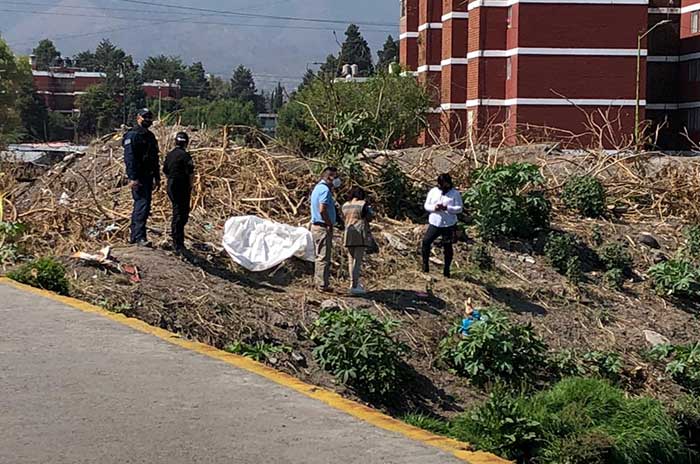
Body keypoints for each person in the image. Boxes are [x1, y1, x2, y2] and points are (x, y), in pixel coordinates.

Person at [123, 108, 160, 246]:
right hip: (139, 177)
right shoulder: (132, 135)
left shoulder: (150, 136)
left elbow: (154, 158)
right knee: (141, 205)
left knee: (144, 206)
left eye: (150, 118)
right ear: (138, 117)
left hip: (148, 176)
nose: (148, 120)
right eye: (145, 117)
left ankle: (136, 236)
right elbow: (130, 158)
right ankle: (138, 237)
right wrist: (133, 177)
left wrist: (157, 177)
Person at [421, 173, 463, 278]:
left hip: (448, 224)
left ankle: (447, 269)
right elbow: (426, 205)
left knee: (447, 246)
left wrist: (448, 208)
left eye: (445, 184)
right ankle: (425, 264)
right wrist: (434, 208)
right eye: (440, 184)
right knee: (426, 242)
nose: (442, 187)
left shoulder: (455, 193)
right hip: (435, 222)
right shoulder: (433, 192)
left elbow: (459, 208)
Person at [310, 167, 341, 291]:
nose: (337, 180)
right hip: (322, 227)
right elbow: (322, 209)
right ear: (329, 177)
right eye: (335, 177)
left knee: (319, 255)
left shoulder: (317, 188)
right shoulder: (324, 190)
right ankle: (322, 285)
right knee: (323, 256)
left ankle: (319, 282)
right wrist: (329, 223)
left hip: (317, 226)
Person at [163, 132, 194, 254]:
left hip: (171, 185)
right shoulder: (186, 156)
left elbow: (165, 170)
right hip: (182, 186)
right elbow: (191, 173)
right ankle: (178, 242)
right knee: (181, 214)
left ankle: (177, 240)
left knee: (177, 211)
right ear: (186, 143)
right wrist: (190, 186)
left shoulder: (170, 155)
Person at [342, 187, 374, 295]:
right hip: (359, 232)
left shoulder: (345, 205)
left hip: (348, 232)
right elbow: (369, 217)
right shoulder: (362, 204)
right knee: (357, 260)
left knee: (350, 260)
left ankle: (352, 283)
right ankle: (354, 286)